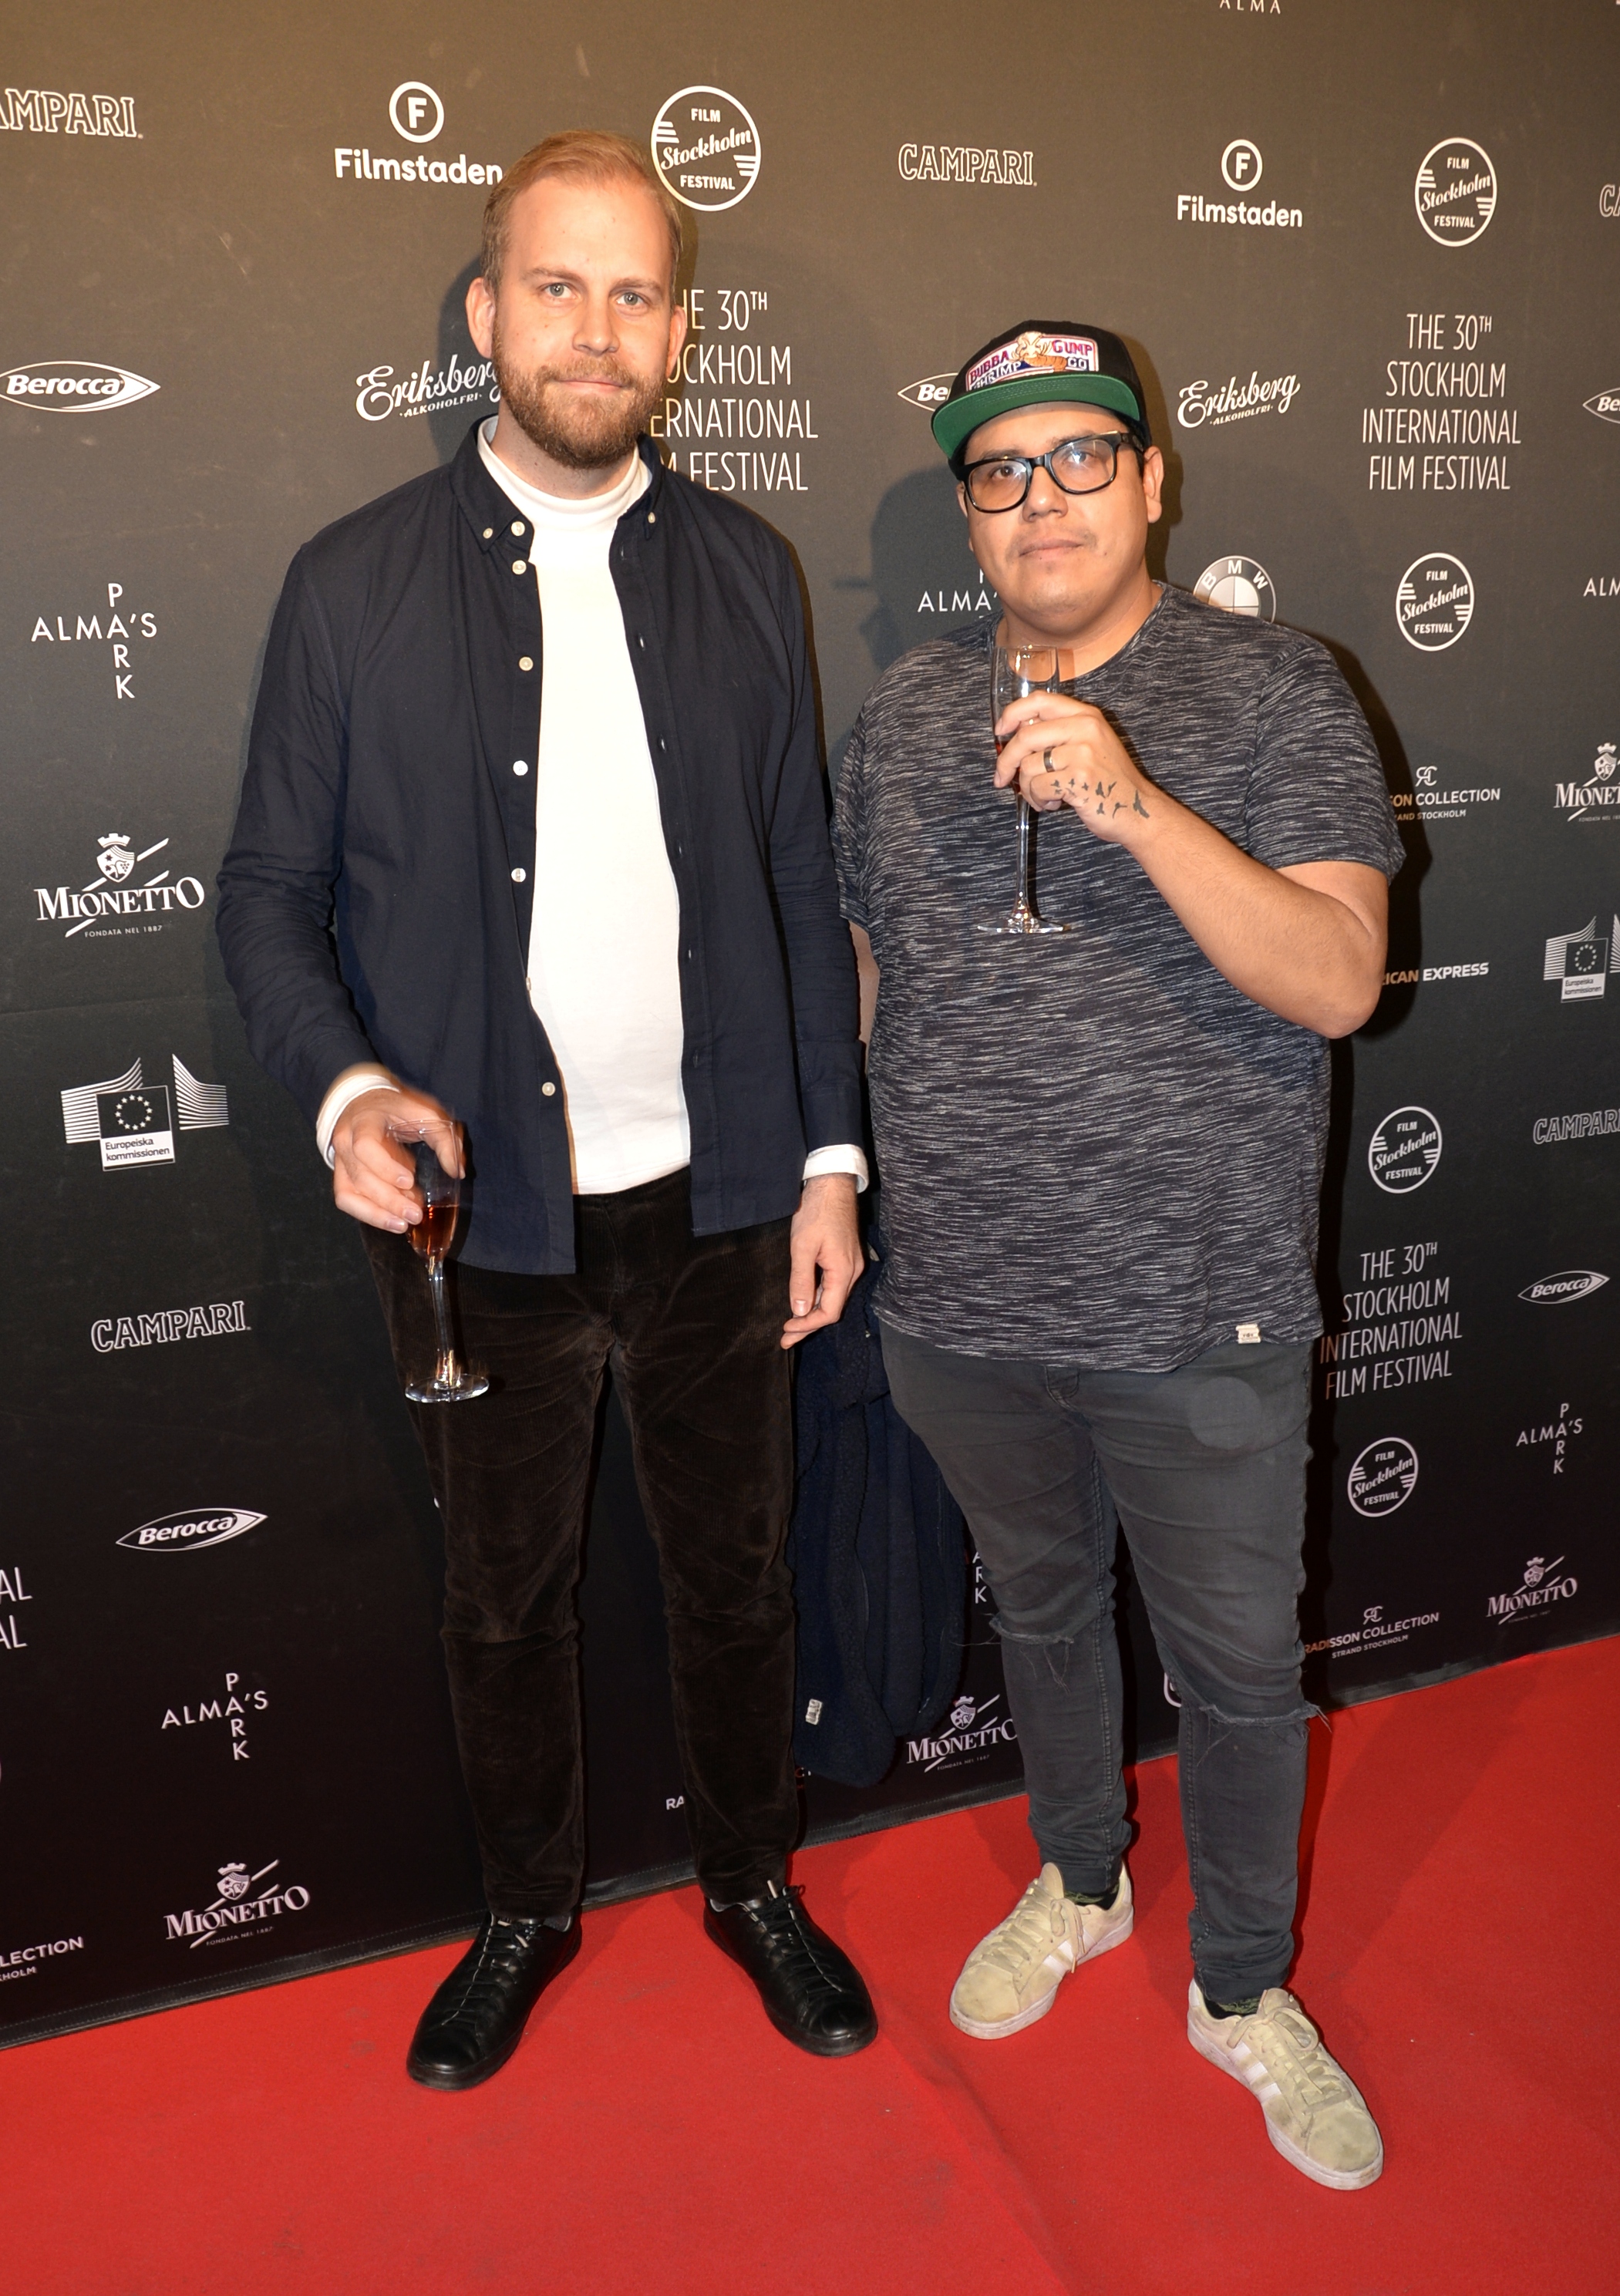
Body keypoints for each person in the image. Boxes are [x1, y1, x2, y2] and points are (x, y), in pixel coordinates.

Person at [217, 131, 877, 2089]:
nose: (597, 329)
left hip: (726, 1201)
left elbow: (797, 880)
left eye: (636, 293)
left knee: (738, 1581)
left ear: (678, 334)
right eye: (559, 286)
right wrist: (348, 1088)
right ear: (487, 311)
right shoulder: (350, 583)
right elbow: (266, 893)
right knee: (502, 1601)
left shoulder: (747, 569)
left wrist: (827, 1158)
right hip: (477, 1218)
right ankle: (521, 1908)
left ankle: (751, 1879)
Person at [834, 321, 1403, 2189]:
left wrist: (1129, 795)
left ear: (1152, 480)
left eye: (1082, 457)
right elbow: (864, 981)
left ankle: (1242, 1985)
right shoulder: (905, 714)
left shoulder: (1275, 687)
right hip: (962, 1305)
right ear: (967, 513)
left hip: (1196, 1306)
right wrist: (829, 1174)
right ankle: (1079, 1878)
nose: (1041, 499)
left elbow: (1338, 978)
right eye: (999, 472)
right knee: (1043, 1614)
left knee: (1239, 1675)